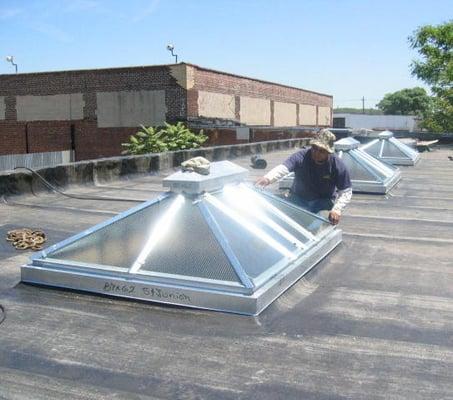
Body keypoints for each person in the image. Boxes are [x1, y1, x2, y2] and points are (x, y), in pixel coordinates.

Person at [255, 129, 352, 225]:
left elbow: (346, 191)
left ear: (328, 152)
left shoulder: (337, 165)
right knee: (277, 217)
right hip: (298, 198)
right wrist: (267, 178)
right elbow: (283, 168)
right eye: (314, 148)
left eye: (322, 151)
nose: (317, 153)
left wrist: (337, 209)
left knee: (319, 226)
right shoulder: (301, 156)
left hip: (323, 203)